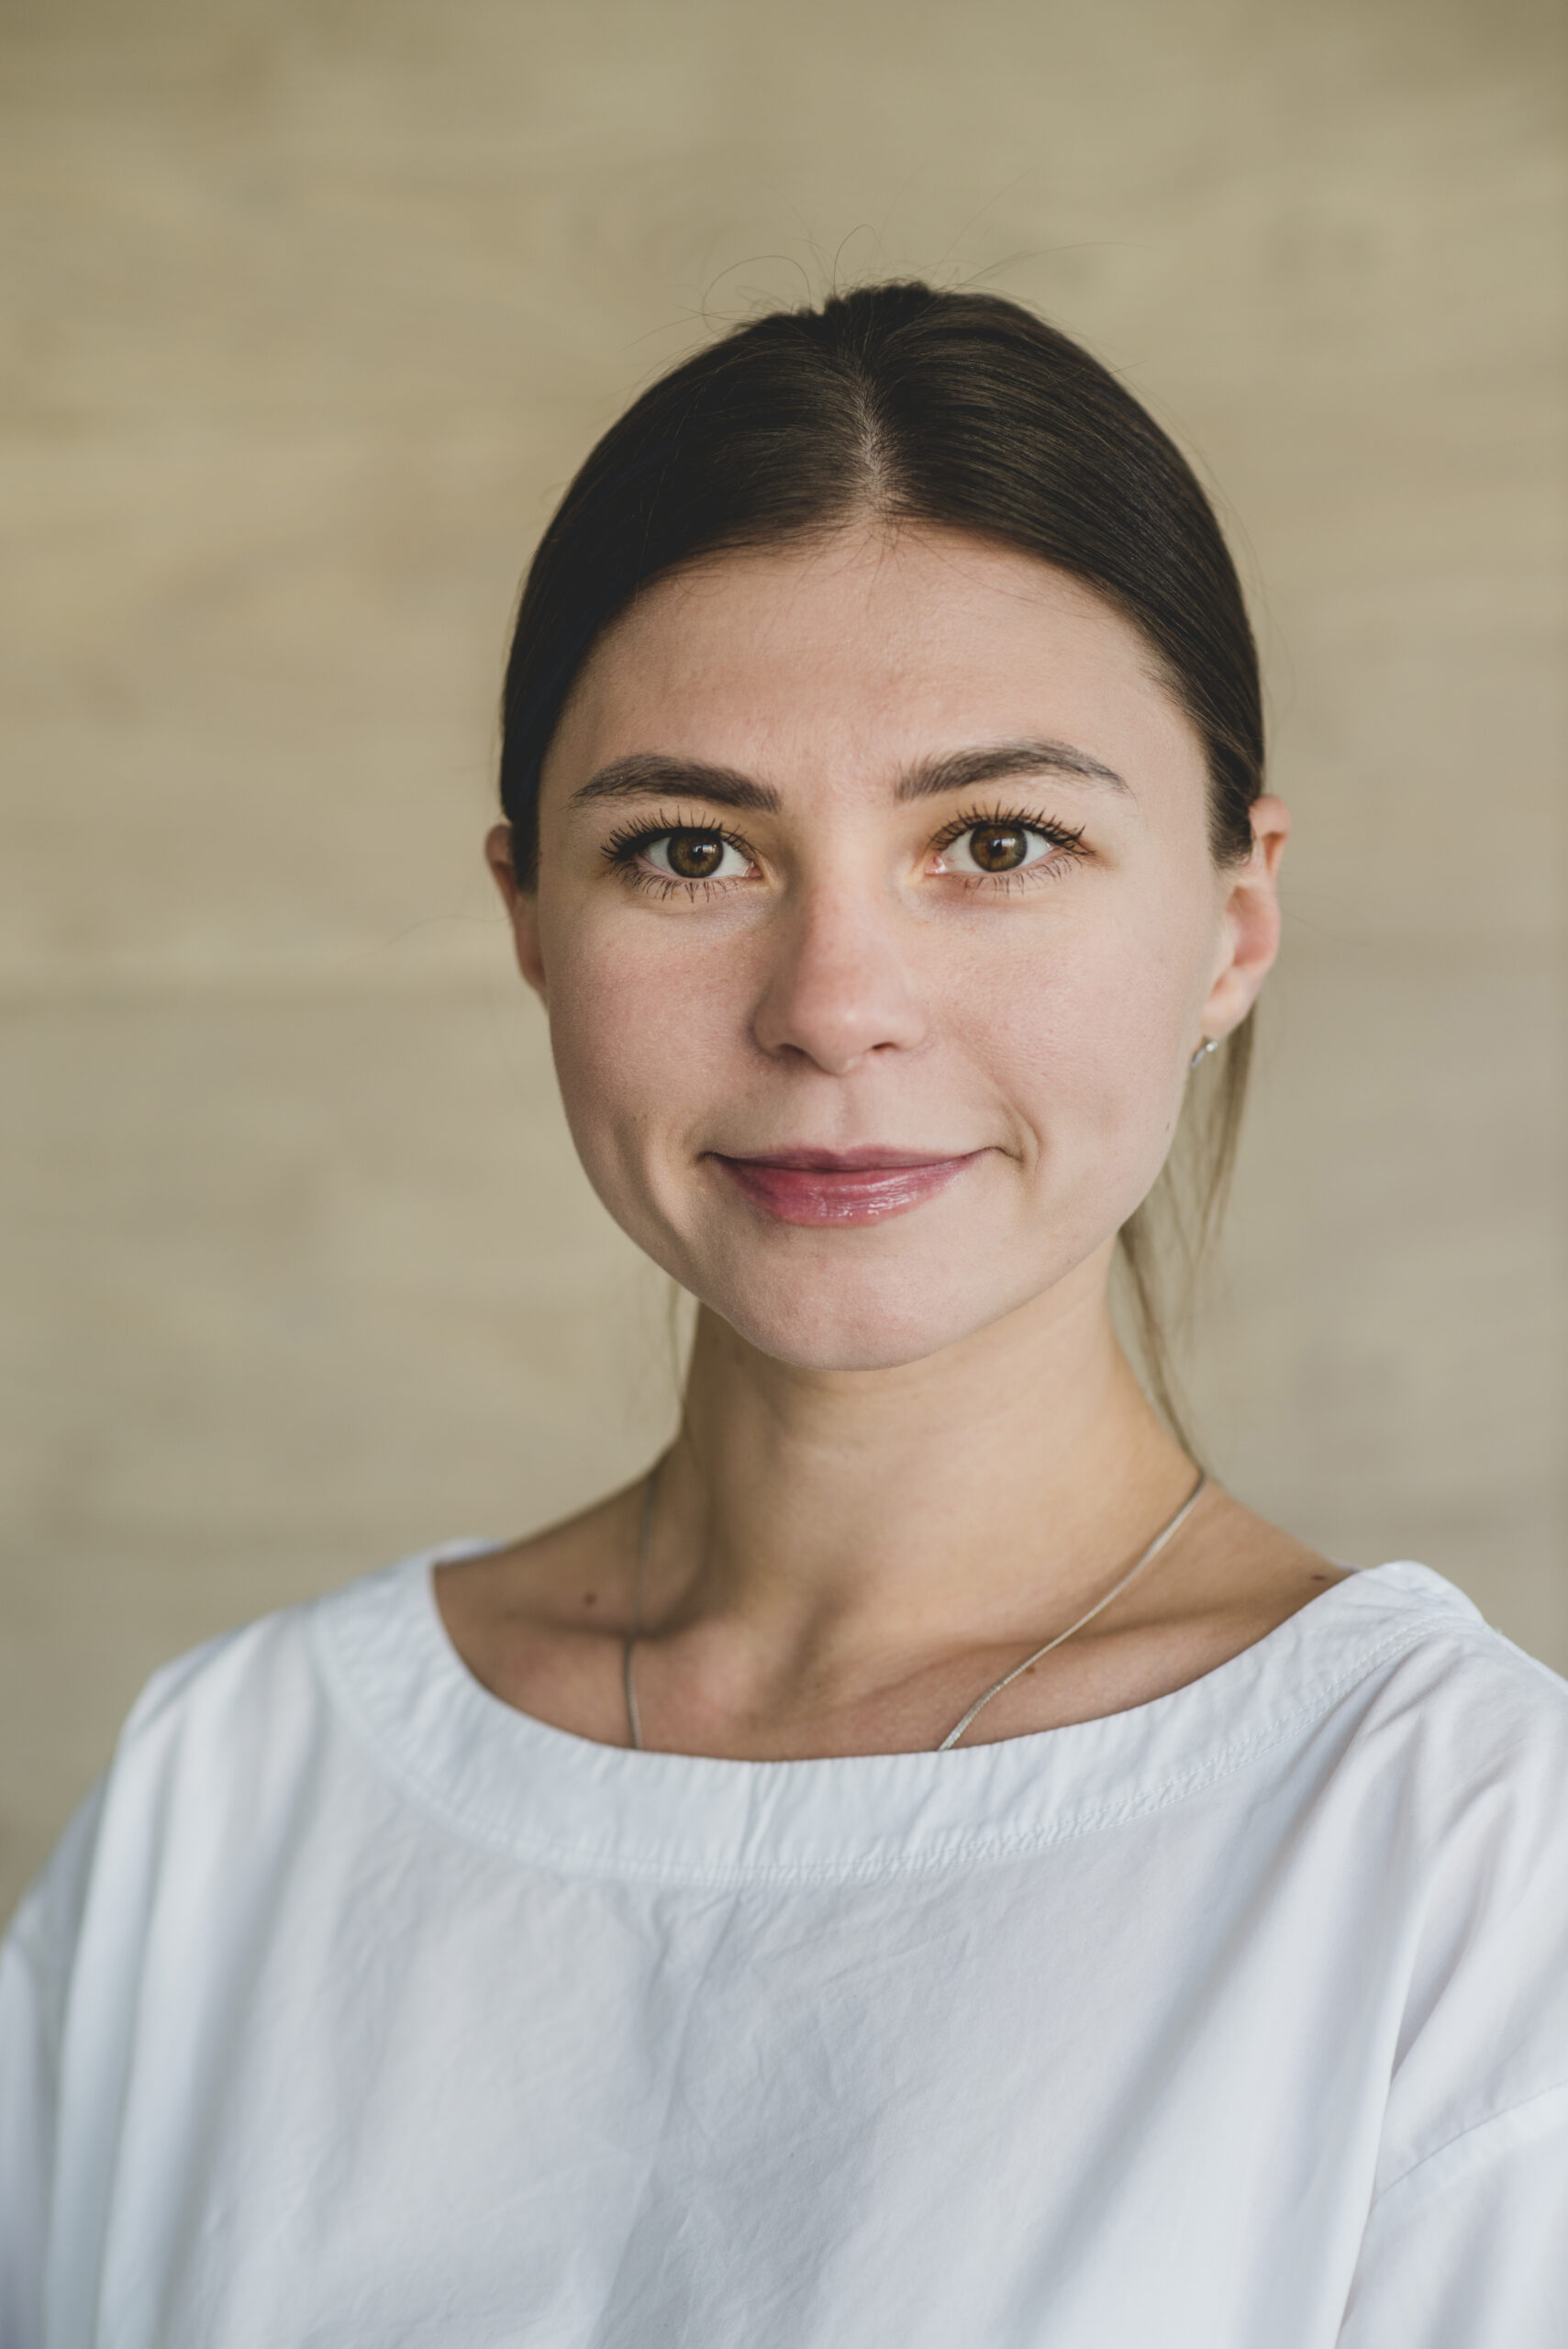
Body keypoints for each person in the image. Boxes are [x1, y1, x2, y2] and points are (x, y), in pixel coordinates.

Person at [2, 283, 1564, 2348]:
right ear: (530, 922)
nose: (832, 1004)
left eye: (996, 840)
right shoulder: (238, 1790)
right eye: (688, 849)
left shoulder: (1466, 1860)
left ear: (1232, 923)